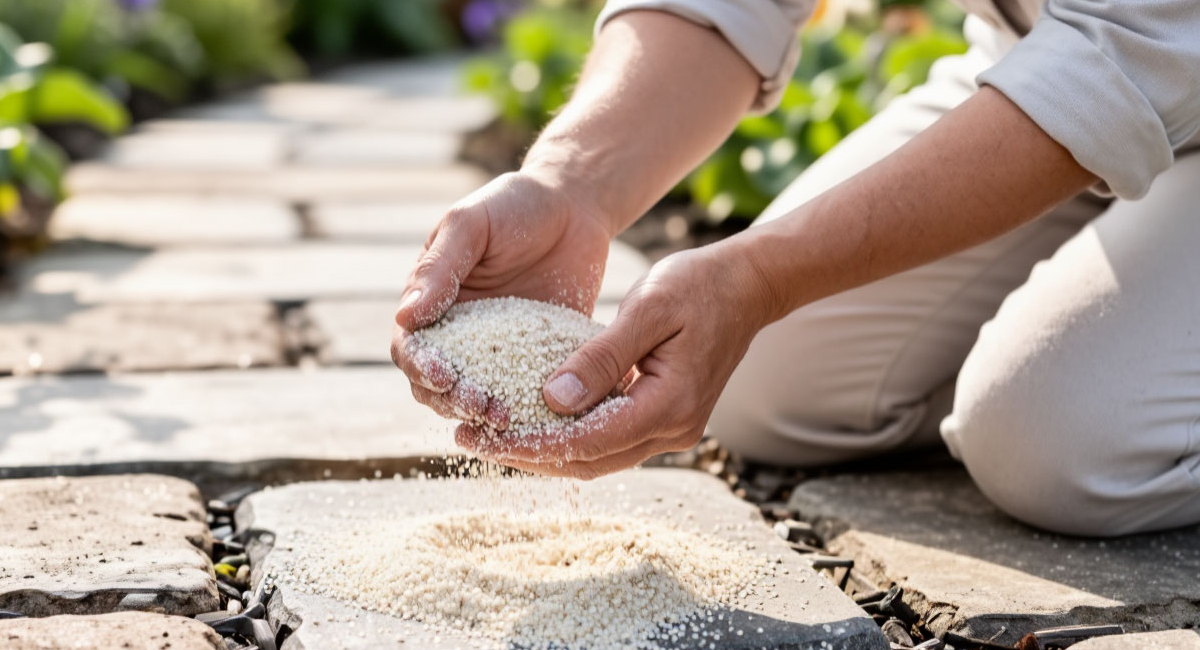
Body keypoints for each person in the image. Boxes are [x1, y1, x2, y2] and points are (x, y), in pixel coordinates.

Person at [392, 0, 1200, 537]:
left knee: (1052, 440)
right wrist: (571, 183)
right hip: (1036, 64)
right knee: (766, 386)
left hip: (1149, 51)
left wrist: (761, 276)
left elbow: (1130, 50)